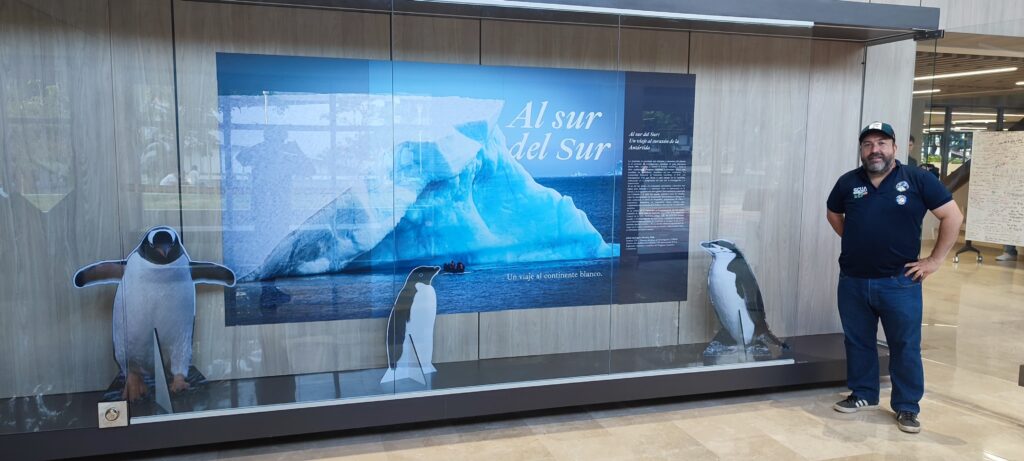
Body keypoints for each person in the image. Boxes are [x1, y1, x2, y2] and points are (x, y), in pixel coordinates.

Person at [825, 122, 963, 434]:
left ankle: (906, 406)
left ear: (895, 148)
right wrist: (854, 238)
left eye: (882, 143)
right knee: (858, 341)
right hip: (853, 280)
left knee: (904, 345)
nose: (875, 149)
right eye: (868, 144)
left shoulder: (918, 179)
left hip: (899, 282)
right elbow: (833, 212)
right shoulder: (848, 183)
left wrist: (934, 260)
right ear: (861, 150)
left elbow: (952, 216)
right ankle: (863, 394)